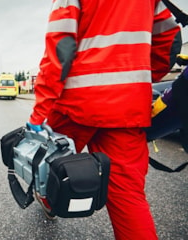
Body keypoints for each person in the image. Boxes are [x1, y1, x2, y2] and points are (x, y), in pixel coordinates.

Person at [27, 1, 181, 239]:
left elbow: (60, 50)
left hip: (75, 105)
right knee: (128, 198)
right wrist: (132, 81)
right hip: (126, 109)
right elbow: (169, 42)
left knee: (52, 163)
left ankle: (50, 200)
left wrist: (39, 113)